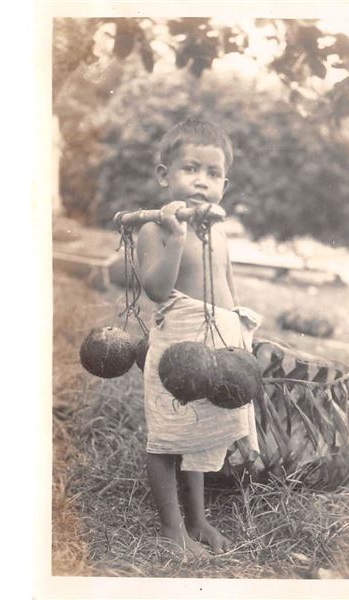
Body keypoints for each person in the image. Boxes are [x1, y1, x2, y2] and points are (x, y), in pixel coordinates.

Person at [136, 118, 261, 558]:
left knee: (204, 436)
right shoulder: (153, 229)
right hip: (179, 351)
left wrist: (237, 336)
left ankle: (198, 518)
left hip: (219, 348)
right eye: (191, 169)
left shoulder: (221, 231)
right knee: (170, 436)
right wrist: (176, 238)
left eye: (212, 174)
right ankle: (172, 529)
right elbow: (155, 289)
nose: (201, 181)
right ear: (163, 175)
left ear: (224, 184)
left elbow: (228, 289)